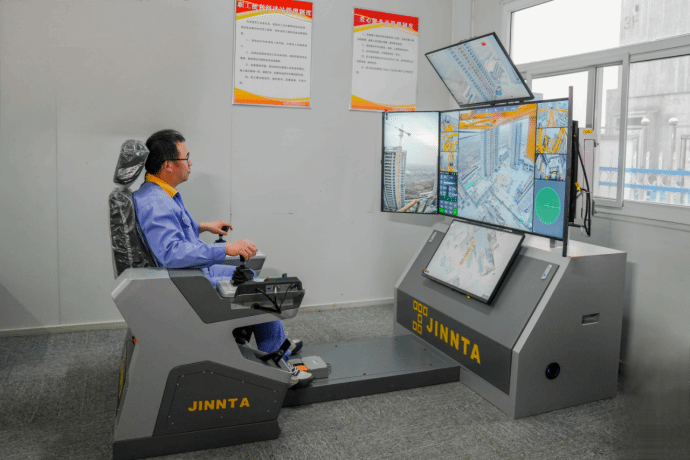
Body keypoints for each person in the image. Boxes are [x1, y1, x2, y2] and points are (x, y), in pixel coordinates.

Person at [132, 129, 312, 388]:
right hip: (187, 282)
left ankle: (270, 341)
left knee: (251, 277)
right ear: (168, 165)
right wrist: (226, 249)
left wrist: (203, 226)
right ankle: (277, 362)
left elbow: (172, 231)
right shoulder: (156, 203)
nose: (190, 163)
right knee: (262, 293)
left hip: (191, 273)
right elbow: (171, 253)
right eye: (186, 158)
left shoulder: (157, 192)